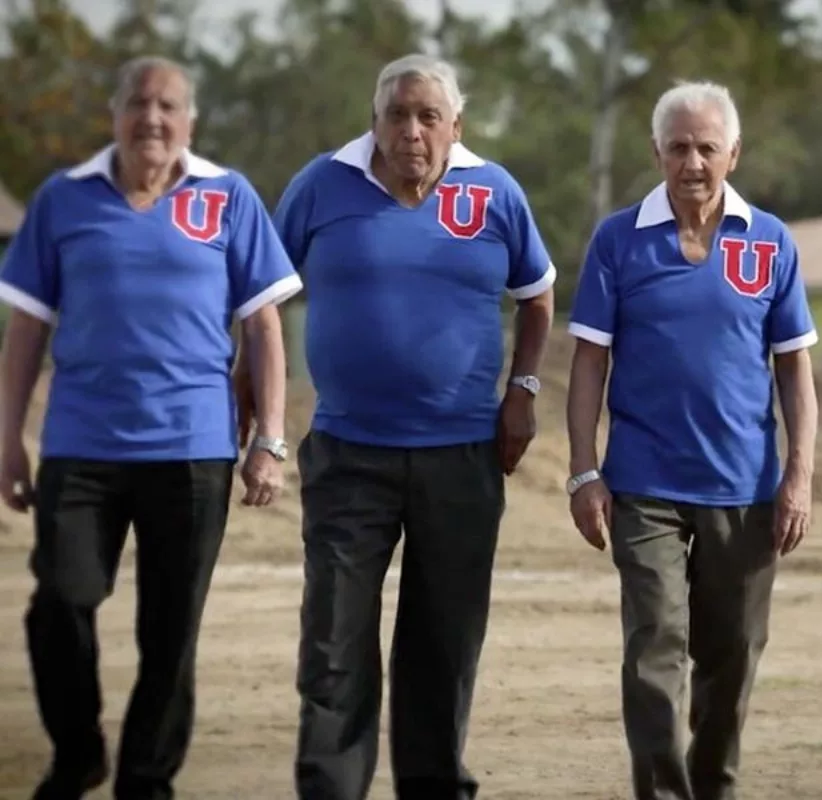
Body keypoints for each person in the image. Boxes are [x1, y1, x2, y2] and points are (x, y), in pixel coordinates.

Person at [0, 55, 301, 800]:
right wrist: (7, 436)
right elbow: (27, 330)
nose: (153, 119)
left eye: (169, 105)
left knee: (170, 636)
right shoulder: (61, 200)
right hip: (79, 447)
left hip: (193, 452)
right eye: (139, 103)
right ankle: (78, 754)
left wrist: (268, 438)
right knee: (59, 603)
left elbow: (262, 326)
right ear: (116, 115)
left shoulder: (228, 197)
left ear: (190, 120)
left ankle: (146, 780)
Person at [261, 53, 555, 800]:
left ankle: (432, 786)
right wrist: (255, 411)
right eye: (398, 114)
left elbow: (538, 295)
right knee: (335, 638)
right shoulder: (320, 186)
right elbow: (259, 295)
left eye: (430, 116)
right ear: (375, 122)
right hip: (348, 452)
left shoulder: (495, 193)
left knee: (442, 641)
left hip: (461, 454)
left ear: (457, 127)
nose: (413, 130)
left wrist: (521, 390)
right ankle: (331, 789)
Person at [565, 80, 820, 800]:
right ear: (656, 152)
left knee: (731, 657)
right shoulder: (619, 240)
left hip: (746, 488)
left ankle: (716, 787)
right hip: (642, 487)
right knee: (654, 648)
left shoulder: (771, 242)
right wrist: (584, 472)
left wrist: (798, 476)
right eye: (678, 147)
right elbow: (589, 362)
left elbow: (795, 370)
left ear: (733, 153)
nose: (693, 162)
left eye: (708, 147)